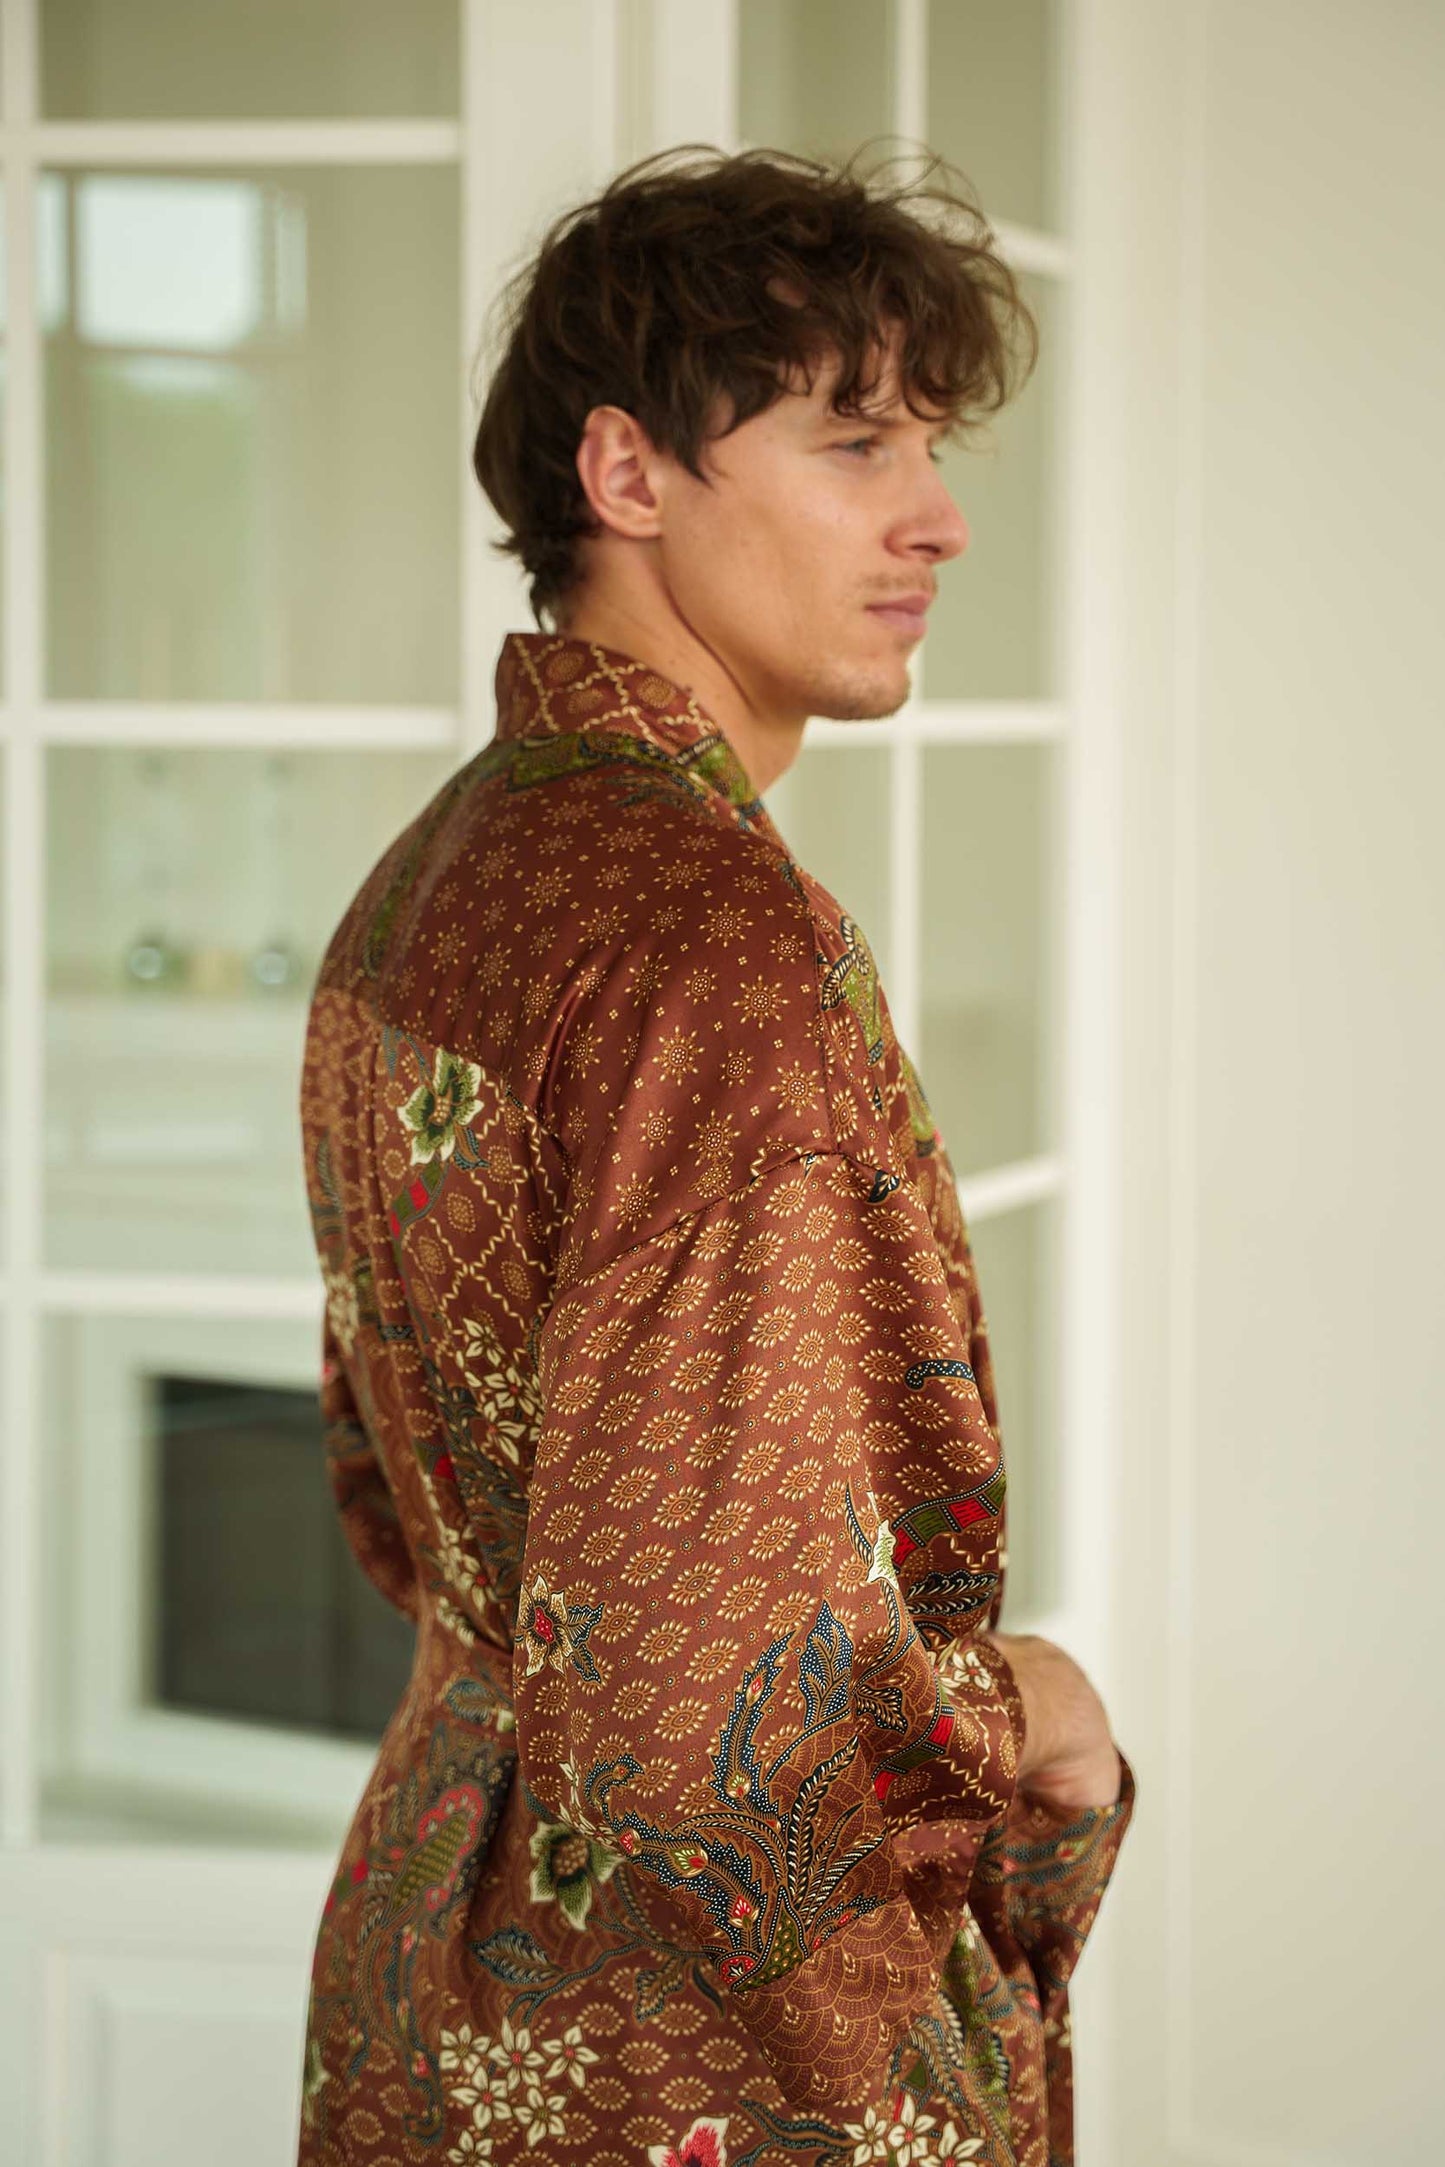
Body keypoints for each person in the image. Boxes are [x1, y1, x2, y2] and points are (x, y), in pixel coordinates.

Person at [297, 145, 1133, 2167]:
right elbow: (721, 1704)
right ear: (630, 473)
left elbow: (415, 1514)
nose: (935, 517)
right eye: (856, 443)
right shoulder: (714, 940)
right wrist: (1039, 1728)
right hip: (697, 2055)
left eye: (933, 445)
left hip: (433, 1951)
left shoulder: (446, 874)